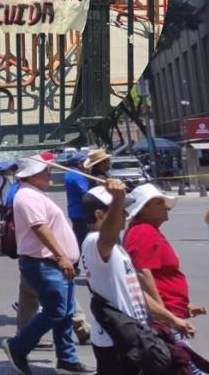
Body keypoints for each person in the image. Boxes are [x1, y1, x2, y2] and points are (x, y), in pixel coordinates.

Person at [80, 181, 191, 375]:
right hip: (114, 339)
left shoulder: (116, 249)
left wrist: (170, 319)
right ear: (99, 215)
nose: (125, 214)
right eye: (119, 210)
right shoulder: (94, 243)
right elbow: (107, 235)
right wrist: (117, 199)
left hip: (132, 336)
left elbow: (138, 294)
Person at [2, 155, 93, 375]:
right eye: (45, 170)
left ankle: (67, 359)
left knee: (65, 313)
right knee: (56, 310)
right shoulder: (27, 195)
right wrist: (61, 255)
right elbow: (39, 227)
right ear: (32, 174)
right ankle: (17, 346)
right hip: (44, 263)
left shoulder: (34, 194)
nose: (49, 173)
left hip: (55, 262)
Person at [124, 183, 206, 374]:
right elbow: (142, 274)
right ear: (144, 208)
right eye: (159, 203)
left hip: (170, 312)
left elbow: (161, 275)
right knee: (190, 369)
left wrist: (184, 305)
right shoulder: (142, 230)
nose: (166, 206)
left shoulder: (148, 229)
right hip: (166, 317)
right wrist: (164, 315)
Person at [65, 150, 109, 253]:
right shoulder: (76, 175)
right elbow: (86, 193)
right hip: (80, 213)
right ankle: (75, 264)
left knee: (81, 238)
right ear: (80, 163)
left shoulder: (71, 173)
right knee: (82, 240)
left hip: (76, 211)